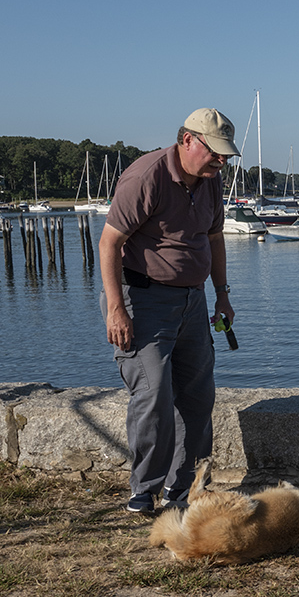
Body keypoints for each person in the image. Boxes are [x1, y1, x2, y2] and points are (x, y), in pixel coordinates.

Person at [99, 108, 239, 514]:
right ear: (186, 140)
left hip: (192, 300)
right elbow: (109, 244)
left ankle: (185, 491)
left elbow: (214, 239)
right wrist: (115, 309)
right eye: (214, 152)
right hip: (144, 300)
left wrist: (222, 294)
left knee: (198, 398)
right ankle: (143, 492)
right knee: (154, 394)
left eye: (226, 155)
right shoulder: (147, 177)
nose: (220, 161)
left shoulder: (211, 183)